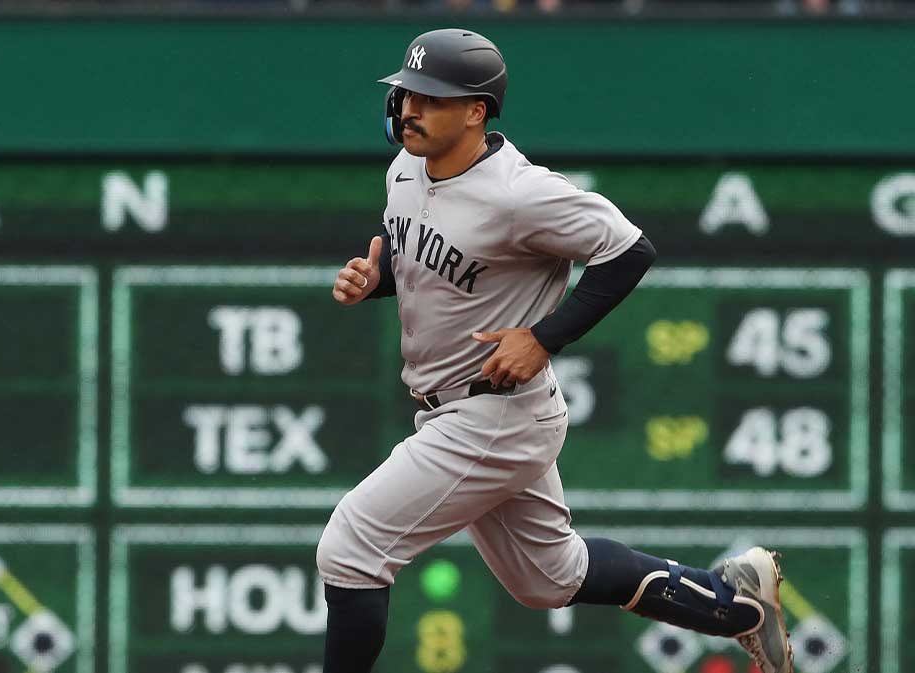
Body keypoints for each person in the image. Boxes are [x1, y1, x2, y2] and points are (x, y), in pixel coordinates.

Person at [317, 28, 793, 673]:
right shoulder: (405, 168)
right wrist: (378, 281)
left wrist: (544, 338)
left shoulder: (521, 193)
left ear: (476, 111)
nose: (410, 109)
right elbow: (436, 266)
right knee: (549, 578)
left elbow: (629, 251)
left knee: (353, 546)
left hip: (493, 417)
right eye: (406, 93)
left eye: (431, 98)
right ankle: (733, 602)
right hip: (460, 408)